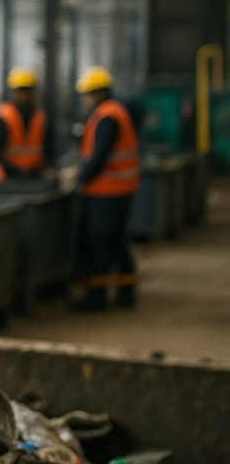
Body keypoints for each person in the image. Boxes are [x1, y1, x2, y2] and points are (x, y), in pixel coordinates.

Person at [74, 66, 140, 310]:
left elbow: (99, 157)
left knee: (99, 243)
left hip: (106, 191)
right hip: (120, 189)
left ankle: (96, 297)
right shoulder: (116, 112)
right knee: (116, 241)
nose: (85, 99)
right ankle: (126, 291)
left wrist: (80, 178)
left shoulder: (107, 117)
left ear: (97, 93)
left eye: (87, 94)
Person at [0, 68, 52, 182]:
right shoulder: (4, 115)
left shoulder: (39, 117)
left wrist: (47, 170)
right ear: (13, 92)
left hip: (35, 174)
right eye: (21, 90)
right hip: (9, 175)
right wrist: (0, 174)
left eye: (28, 90)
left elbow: (48, 147)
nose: (25, 94)